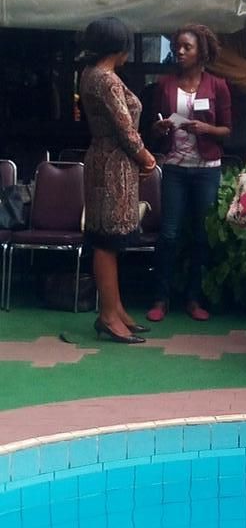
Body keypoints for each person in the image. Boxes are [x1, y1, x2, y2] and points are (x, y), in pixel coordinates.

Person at [146, 24, 232, 322]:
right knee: (169, 234)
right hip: (175, 167)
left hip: (207, 169)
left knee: (200, 235)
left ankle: (194, 298)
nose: (179, 52)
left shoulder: (218, 85)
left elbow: (228, 130)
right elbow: (153, 127)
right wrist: (159, 128)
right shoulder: (164, 85)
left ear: (201, 52)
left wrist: (206, 128)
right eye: (177, 47)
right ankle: (161, 298)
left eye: (186, 47)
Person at [79, 17, 157, 344]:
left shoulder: (89, 74)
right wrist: (147, 158)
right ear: (118, 46)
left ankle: (116, 309)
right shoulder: (107, 80)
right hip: (114, 164)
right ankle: (109, 316)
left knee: (106, 237)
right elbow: (126, 129)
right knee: (107, 241)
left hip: (102, 159)